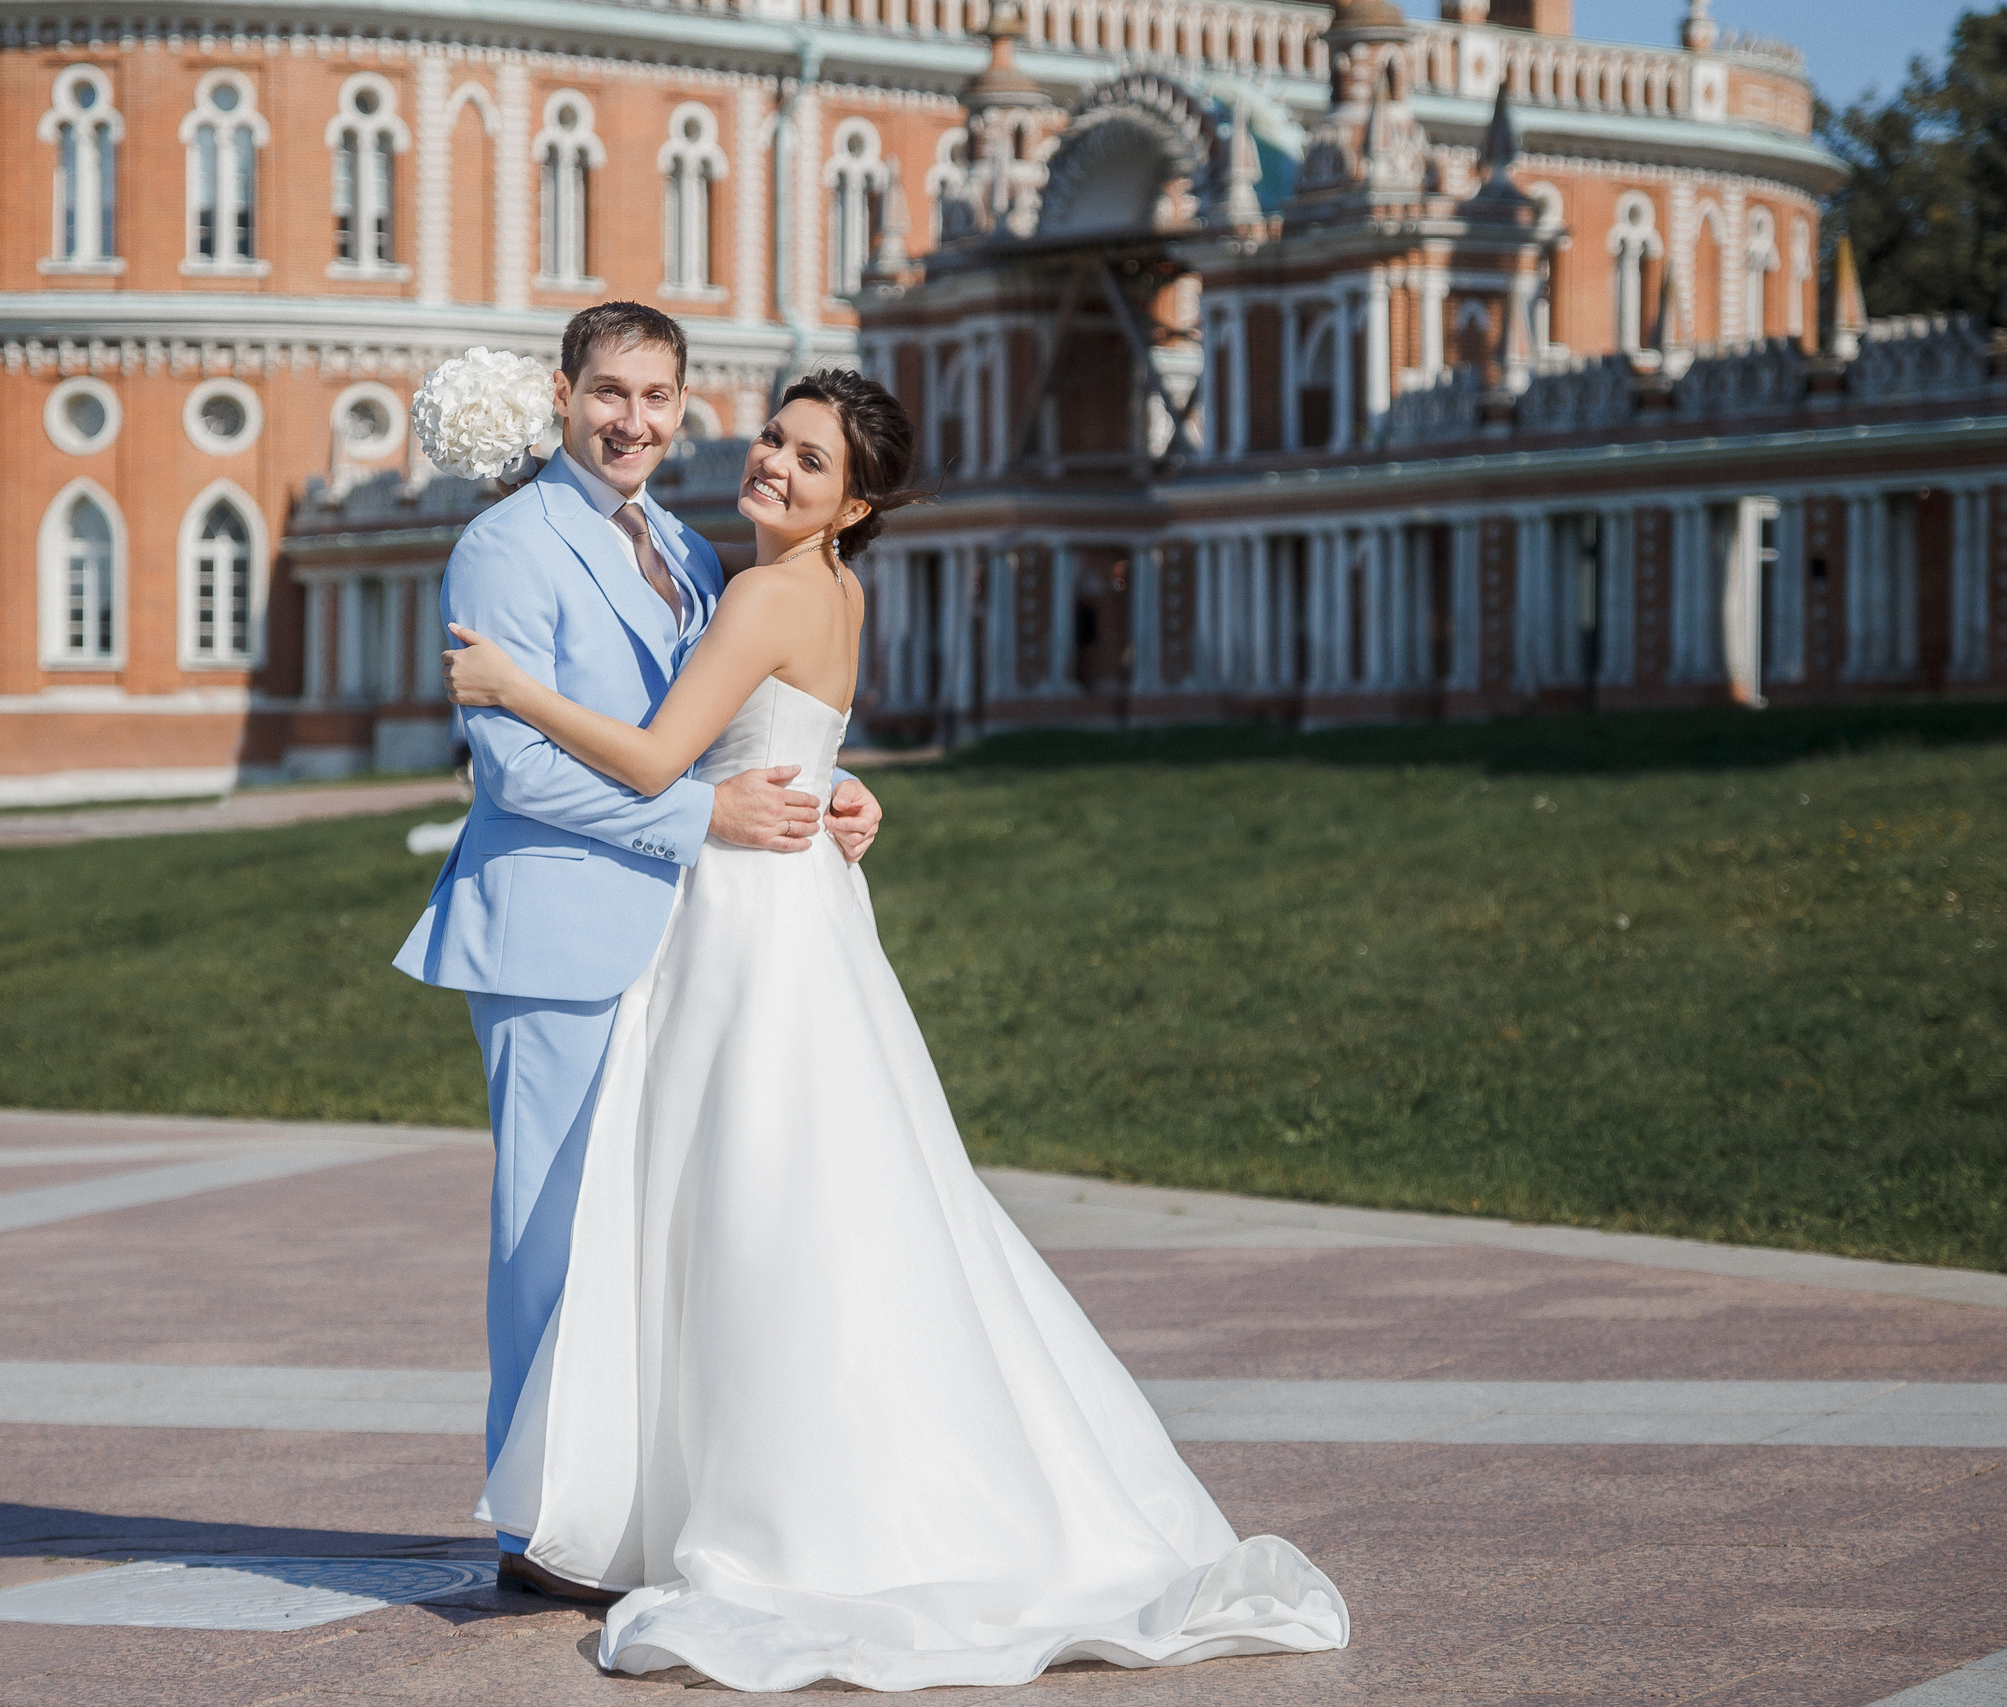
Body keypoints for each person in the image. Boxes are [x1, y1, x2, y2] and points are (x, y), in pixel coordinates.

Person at [438, 368, 1349, 1691]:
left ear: (854, 501)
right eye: (773, 441)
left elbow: (653, 761)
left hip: (749, 925)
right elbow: (780, 746)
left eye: (811, 464)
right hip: (799, 911)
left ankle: (760, 1503)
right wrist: (842, 792)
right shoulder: (830, 590)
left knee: (751, 1204)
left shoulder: (759, 591)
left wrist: (514, 688)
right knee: (831, 1199)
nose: (776, 469)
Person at [392, 303, 885, 1603]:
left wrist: (831, 791)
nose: (635, 422)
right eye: (610, 393)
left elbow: (729, 723)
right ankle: (534, 1532)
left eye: (659, 398)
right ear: (564, 395)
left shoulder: (685, 545)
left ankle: (624, 1508)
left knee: (644, 1237)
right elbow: (508, 763)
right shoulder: (507, 545)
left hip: (683, 937)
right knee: (548, 1240)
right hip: (554, 928)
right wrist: (698, 813)